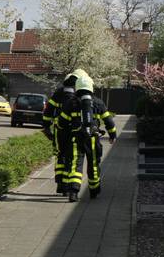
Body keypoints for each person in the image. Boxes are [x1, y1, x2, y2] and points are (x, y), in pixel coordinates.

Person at [45, 69, 116, 202]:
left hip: (75, 138)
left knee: (75, 165)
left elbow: (62, 122)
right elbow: (109, 121)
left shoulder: (71, 103)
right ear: (91, 86)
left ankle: (73, 192)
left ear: (77, 87)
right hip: (93, 139)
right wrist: (112, 135)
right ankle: (94, 190)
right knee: (93, 165)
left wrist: (61, 132)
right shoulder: (98, 103)